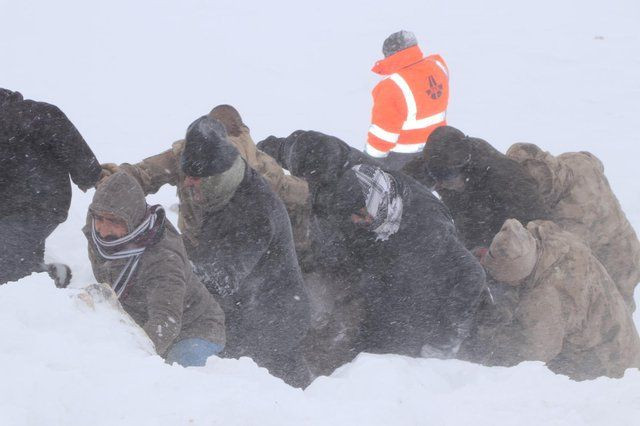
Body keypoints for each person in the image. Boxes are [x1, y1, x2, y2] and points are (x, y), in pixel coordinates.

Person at [112, 116, 311, 387]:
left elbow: (220, 279)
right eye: (187, 176)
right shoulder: (224, 187)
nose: (188, 184)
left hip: (272, 317)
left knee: (266, 392)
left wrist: (165, 266)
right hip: (245, 309)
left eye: (196, 178)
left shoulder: (253, 212)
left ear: (217, 174)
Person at [260, 130, 486, 360]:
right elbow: (304, 145)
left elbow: (472, 275)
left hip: (407, 280)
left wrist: (442, 341)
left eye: (361, 216)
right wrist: (262, 149)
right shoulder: (339, 169)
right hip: (367, 259)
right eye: (352, 216)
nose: (356, 220)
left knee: (384, 342)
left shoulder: (429, 230)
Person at [460, 219, 640, 380]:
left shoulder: (548, 297)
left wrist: (482, 344)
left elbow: (531, 352)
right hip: (621, 338)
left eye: (507, 280)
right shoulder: (549, 240)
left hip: (607, 369)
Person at [84, 172, 226, 366]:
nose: (103, 229)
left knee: (176, 374)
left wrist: (123, 360)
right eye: (99, 218)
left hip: (193, 328)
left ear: (133, 219)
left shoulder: (163, 259)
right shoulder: (98, 232)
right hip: (138, 320)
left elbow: (166, 323)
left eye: (115, 221)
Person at [506, 143, 640, 311]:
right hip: (628, 244)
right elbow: (596, 162)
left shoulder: (569, 219)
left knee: (614, 315)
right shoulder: (575, 161)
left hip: (617, 263)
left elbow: (567, 259)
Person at [0, 88, 103, 286]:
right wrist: (89, 175)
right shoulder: (41, 113)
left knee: (8, 266)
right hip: (42, 205)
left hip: (30, 207)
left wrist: (91, 176)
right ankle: (44, 274)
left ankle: (39, 282)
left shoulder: (34, 115)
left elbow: (68, 141)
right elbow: (71, 142)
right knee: (19, 254)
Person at [405, 126, 548, 251]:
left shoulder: (506, 181)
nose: (439, 184)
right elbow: (402, 180)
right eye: (434, 176)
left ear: (465, 169)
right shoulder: (442, 157)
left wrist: (492, 249)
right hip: (471, 212)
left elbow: (538, 225)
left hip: (505, 230)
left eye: (445, 177)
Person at [364, 30, 449, 170]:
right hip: (438, 148)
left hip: (404, 159)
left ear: (390, 55)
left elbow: (383, 134)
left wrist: (370, 161)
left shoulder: (391, 86)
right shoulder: (438, 65)